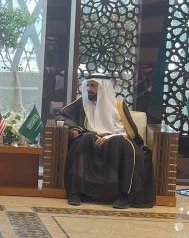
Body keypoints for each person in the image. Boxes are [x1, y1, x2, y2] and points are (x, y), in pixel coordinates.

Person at [56, 74, 155, 209]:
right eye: (88, 85)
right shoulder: (82, 102)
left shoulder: (118, 105)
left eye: (93, 85)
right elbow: (60, 115)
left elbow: (126, 131)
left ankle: (122, 195)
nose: (89, 89)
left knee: (119, 143)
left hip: (115, 137)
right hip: (90, 136)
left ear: (103, 87)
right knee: (83, 140)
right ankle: (76, 192)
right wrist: (75, 128)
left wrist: (107, 137)